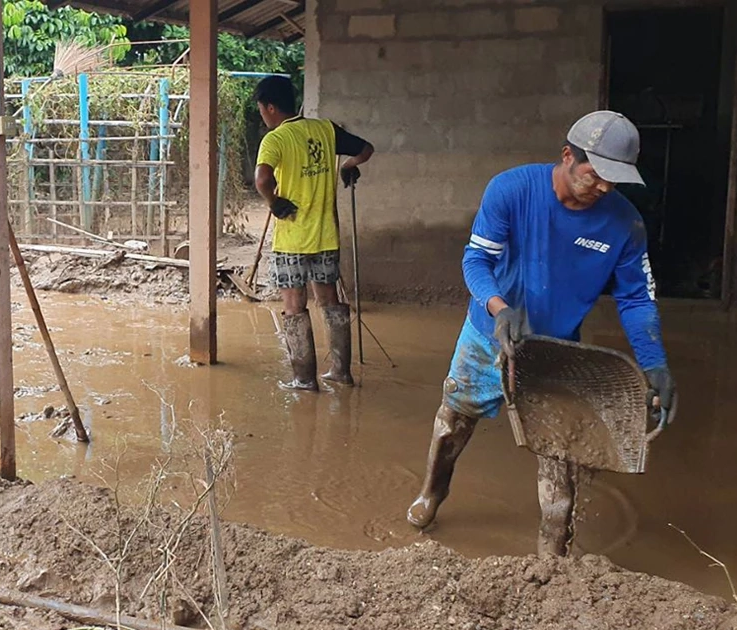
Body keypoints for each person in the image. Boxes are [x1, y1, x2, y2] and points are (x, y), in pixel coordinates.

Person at [404, 111, 678, 556]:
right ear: (568, 156)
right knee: (453, 420)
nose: (605, 188)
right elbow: (477, 261)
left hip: (556, 351)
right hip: (488, 333)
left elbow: (636, 300)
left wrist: (655, 363)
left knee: (558, 451)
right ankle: (433, 492)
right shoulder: (512, 190)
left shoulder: (625, 225)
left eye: (615, 180)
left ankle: (551, 555)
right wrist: (499, 307)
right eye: (596, 175)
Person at [253, 76, 374, 391]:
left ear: (269, 107)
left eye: (261, 110)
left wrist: (274, 201)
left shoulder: (276, 139)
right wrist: (347, 166)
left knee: (294, 306)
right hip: (325, 236)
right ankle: (340, 372)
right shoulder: (326, 130)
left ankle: (304, 378)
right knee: (330, 301)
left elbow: (262, 179)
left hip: (292, 239)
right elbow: (365, 149)